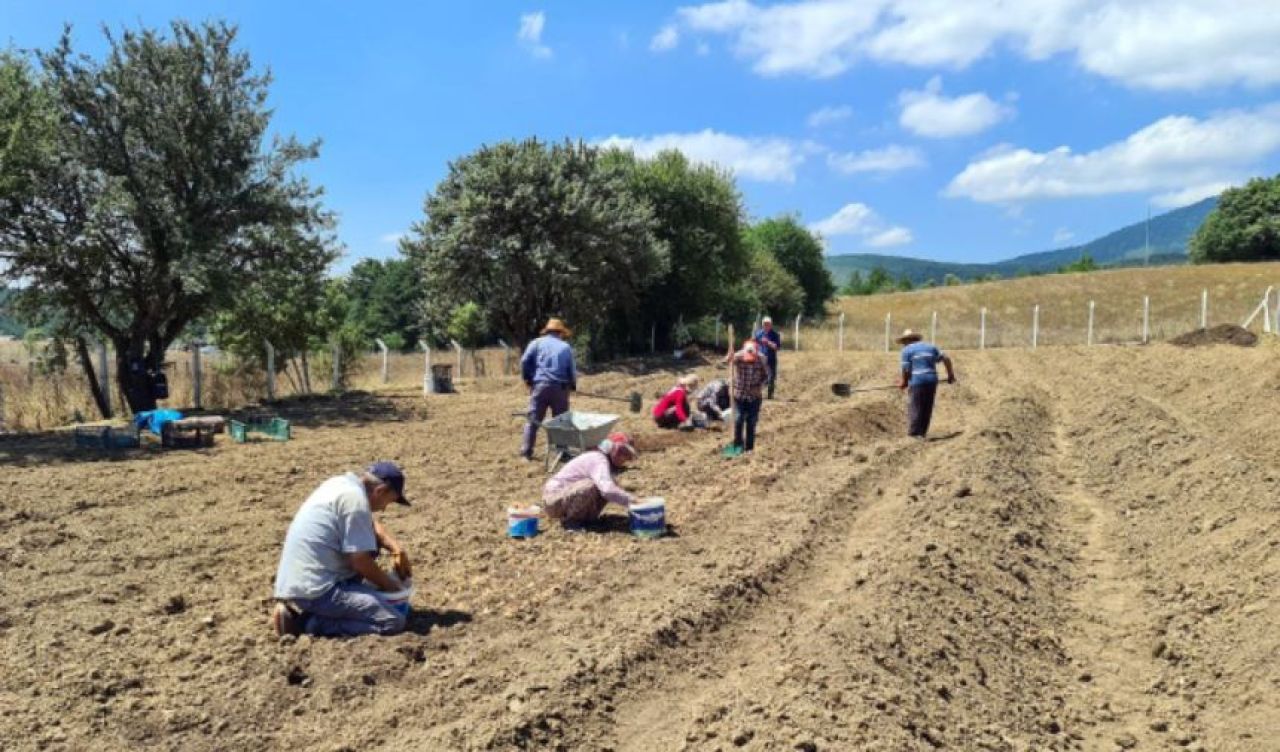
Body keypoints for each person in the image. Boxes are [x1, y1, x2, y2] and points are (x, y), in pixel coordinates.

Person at [271, 461, 414, 638]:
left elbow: (369, 524)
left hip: (299, 582)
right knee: (392, 621)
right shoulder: (356, 502)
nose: (384, 508)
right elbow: (360, 561)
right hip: (319, 590)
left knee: (371, 541)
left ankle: (322, 612)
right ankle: (305, 623)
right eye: (388, 501)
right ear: (380, 491)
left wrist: (396, 548)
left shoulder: (342, 485)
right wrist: (391, 587)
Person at [541, 432, 639, 528]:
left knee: (608, 485)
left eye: (627, 455)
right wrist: (633, 501)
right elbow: (608, 490)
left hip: (563, 498)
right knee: (592, 486)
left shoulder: (601, 460)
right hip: (554, 500)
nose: (624, 458)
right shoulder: (598, 458)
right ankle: (572, 521)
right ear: (611, 448)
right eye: (622, 452)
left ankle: (586, 520)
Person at [520, 318, 578, 461]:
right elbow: (571, 369)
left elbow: (524, 361)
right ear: (560, 333)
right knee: (561, 420)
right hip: (560, 388)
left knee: (533, 419)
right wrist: (572, 384)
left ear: (547, 331)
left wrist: (528, 378)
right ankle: (562, 452)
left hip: (540, 386)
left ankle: (526, 453)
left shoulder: (536, 343)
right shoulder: (565, 347)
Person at [896, 329, 956, 439]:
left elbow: (906, 369)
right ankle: (922, 433)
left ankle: (914, 434)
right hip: (932, 380)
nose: (903, 344)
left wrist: (904, 382)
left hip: (918, 381)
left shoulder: (907, 350)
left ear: (908, 340)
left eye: (904, 342)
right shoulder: (931, 347)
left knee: (916, 406)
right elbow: (946, 358)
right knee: (927, 406)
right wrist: (950, 375)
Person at [726, 340, 770, 454]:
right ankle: (737, 446)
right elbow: (725, 362)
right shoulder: (738, 356)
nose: (749, 361)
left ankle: (749, 448)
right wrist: (728, 357)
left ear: (756, 353)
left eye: (752, 358)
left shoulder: (762, 359)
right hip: (739, 394)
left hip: (754, 396)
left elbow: (767, 377)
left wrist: (760, 386)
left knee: (751, 421)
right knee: (739, 419)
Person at [753, 316, 782, 399]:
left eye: (768, 324)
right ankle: (757, 393)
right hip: (760, 359)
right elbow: (754, 344)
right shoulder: (758, 333)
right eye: (765, 324)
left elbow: (777, 347)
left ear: (771, 325)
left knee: (771, 378)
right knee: (759, 377)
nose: (766, 325)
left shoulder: (775, 335)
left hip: (771, 359)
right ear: (762, 324)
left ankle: (770, 395)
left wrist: (768, 342)